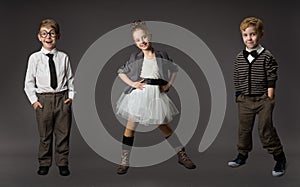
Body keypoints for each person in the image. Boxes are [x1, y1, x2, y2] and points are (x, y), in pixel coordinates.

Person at [115, 20, 196, 175]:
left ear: (149, 36)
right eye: (137, 40)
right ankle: (124, 160)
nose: (142, 42)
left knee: (164, 125)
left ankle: (181, 154)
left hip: (156, 95)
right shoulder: (135, 57)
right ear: (134, 42)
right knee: (130, 127)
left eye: (144, 37)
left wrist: (168, 85)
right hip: (139, 95)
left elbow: (174, 69)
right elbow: (120, 71)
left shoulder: (161, 55)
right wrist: (133, 84)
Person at [228, 17, 286, 177]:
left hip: (263, 99)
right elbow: (237, 76)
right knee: (244, 130)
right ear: (242, 36)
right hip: (245, 100)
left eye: (253, 34)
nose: (249, 38)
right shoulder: (239, 57)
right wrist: (239, 94)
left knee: (265, 130)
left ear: (260, 34)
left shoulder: (267, 56)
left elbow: (272, 76)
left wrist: (269, 96)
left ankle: (280, 158)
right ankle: (242, 155)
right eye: (245, 35)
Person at [24, 19, 75, 176]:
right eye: (44, 34)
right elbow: (28, 82)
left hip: (61, 99)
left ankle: (62, 163)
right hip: (44, 101)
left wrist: (71, 97)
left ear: (58, 36)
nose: (48, 37)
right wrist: (34, 101)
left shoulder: (64, 57)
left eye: (52, 33)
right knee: (45, 135)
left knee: (63, 133)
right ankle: (44, 163)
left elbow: (70, 79)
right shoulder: (35, 58)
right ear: (39, 37)